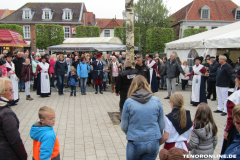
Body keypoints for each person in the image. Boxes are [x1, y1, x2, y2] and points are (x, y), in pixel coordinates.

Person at [121, 75, 165, 160]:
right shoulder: (156, 100)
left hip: (135, 140)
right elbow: (161, 124)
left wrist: (131, 134)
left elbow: (124, 126)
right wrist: (156, 136)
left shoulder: (129, 102)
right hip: (153, 140)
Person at [0, 77, 28, 160]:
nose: (13, 91)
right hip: (6, 154)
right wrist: (23, 156)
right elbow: (15, 140)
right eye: (9, 90)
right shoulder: (5, 113)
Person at [221, 69, 240, 155]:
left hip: (236, 128)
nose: (235, 80)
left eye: (236, 78)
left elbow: (231, 117)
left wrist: (227, 131)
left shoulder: (235, 97)